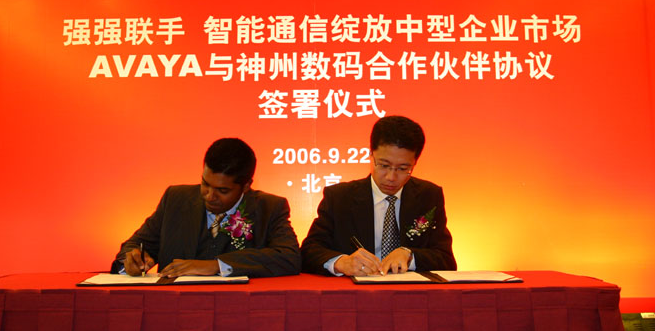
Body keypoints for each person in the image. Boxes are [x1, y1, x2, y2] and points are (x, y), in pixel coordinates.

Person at [111, 138, 300, 277]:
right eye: (205, 184)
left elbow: (289, 257)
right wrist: (133, 260)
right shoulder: (176, 199)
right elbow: (134, 246)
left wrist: (217, 265)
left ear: (246, 186)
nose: (209, 196)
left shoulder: (269, 208)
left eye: (222, 190)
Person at [301, 115, 456, 276]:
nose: (391, 177)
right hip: (356, 289)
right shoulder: (340, 198)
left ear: (415, 162)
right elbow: (309, 251)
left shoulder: (428, 196)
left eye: (403, 168)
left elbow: (446, 259)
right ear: (371, 154)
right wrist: (341, 262)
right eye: (383, 165)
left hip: (409, 289)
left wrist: (410, 256)